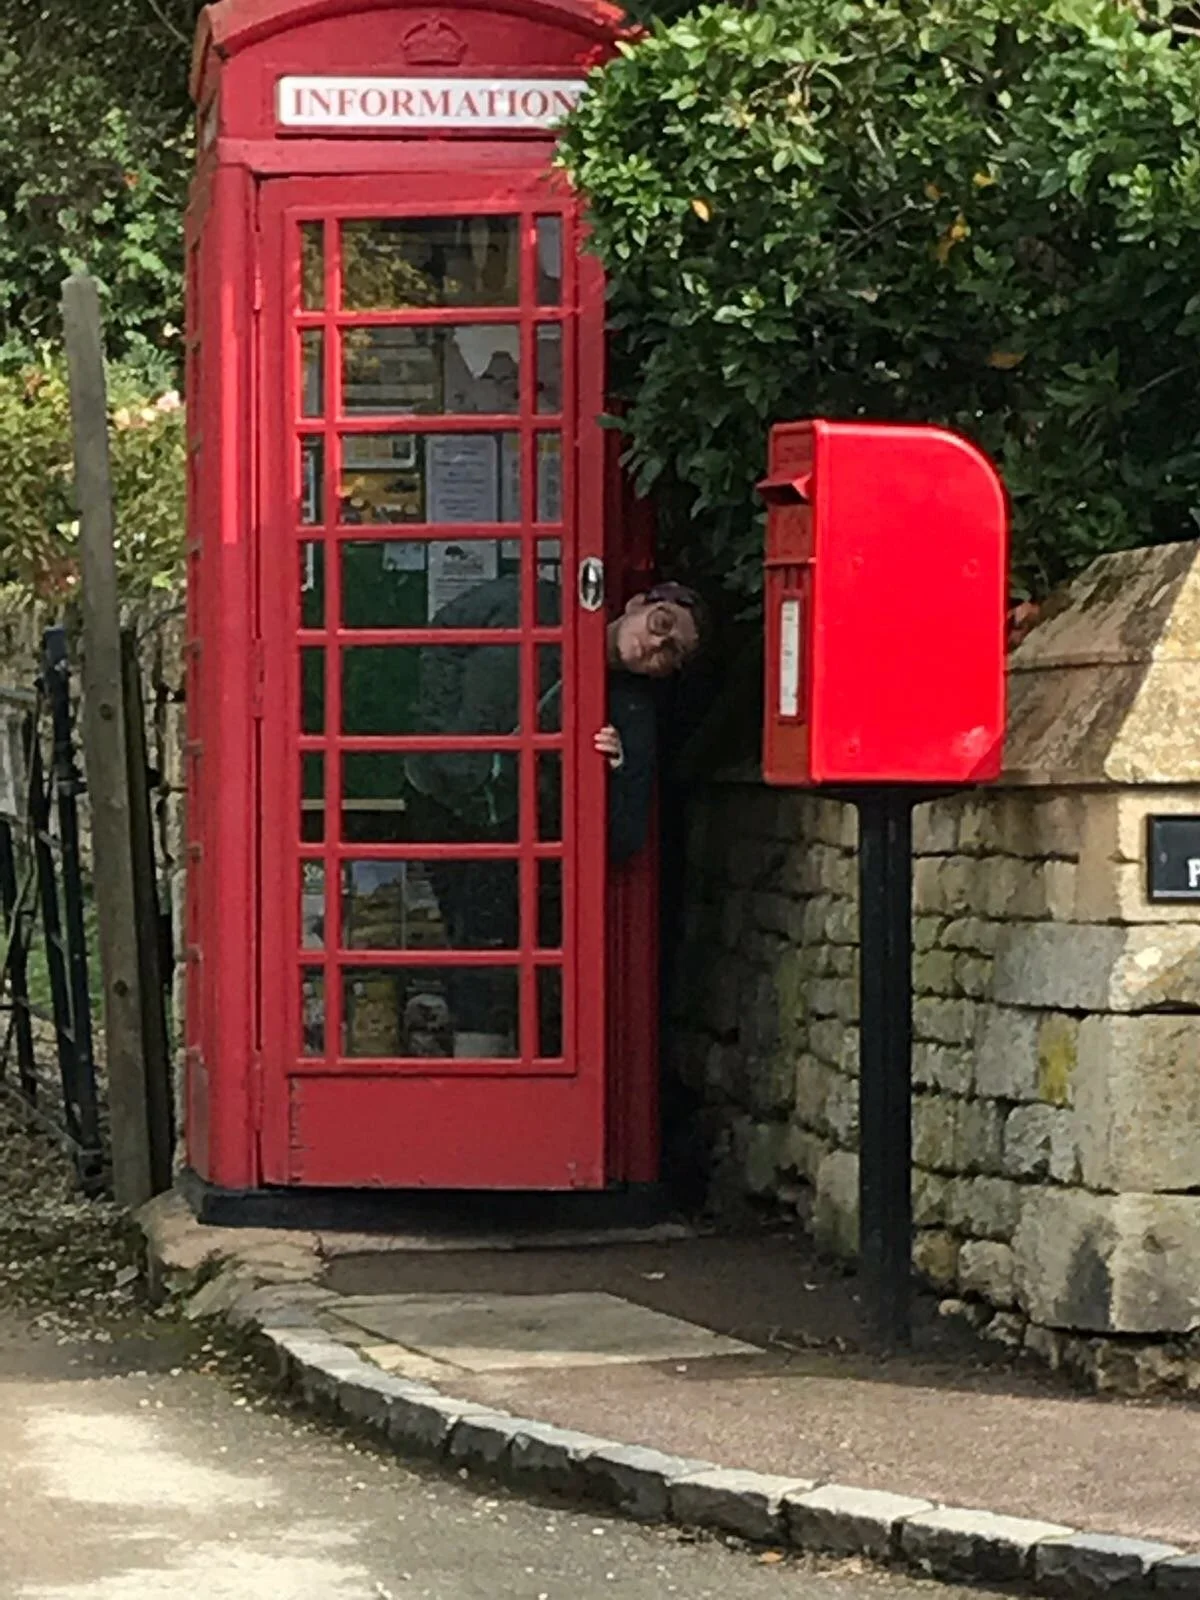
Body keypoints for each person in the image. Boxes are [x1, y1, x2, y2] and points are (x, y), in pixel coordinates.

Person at [403, 574, 704, 1054]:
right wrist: (445, 738)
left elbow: (623, 837)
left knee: (485, 949)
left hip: (510, 833)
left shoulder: (630, 713)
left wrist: (616, 769)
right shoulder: (533, 601)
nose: (655, 645)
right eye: (661, 623)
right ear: (635, 603)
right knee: (454, 930)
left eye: (671, 654)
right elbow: (442, 636)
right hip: (435, 793)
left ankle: (480, 1085)